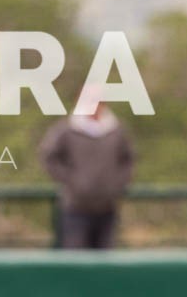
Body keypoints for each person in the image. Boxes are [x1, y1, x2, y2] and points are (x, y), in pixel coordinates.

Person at [40, 86, 135, 249]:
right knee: (76, 261)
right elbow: (49, 157)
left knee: (105, 263)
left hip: (108, 208)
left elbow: (128, 159)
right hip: (75, 208)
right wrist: (72, 181)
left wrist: (117, 184)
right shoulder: (66, 129)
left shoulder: (116, 130)